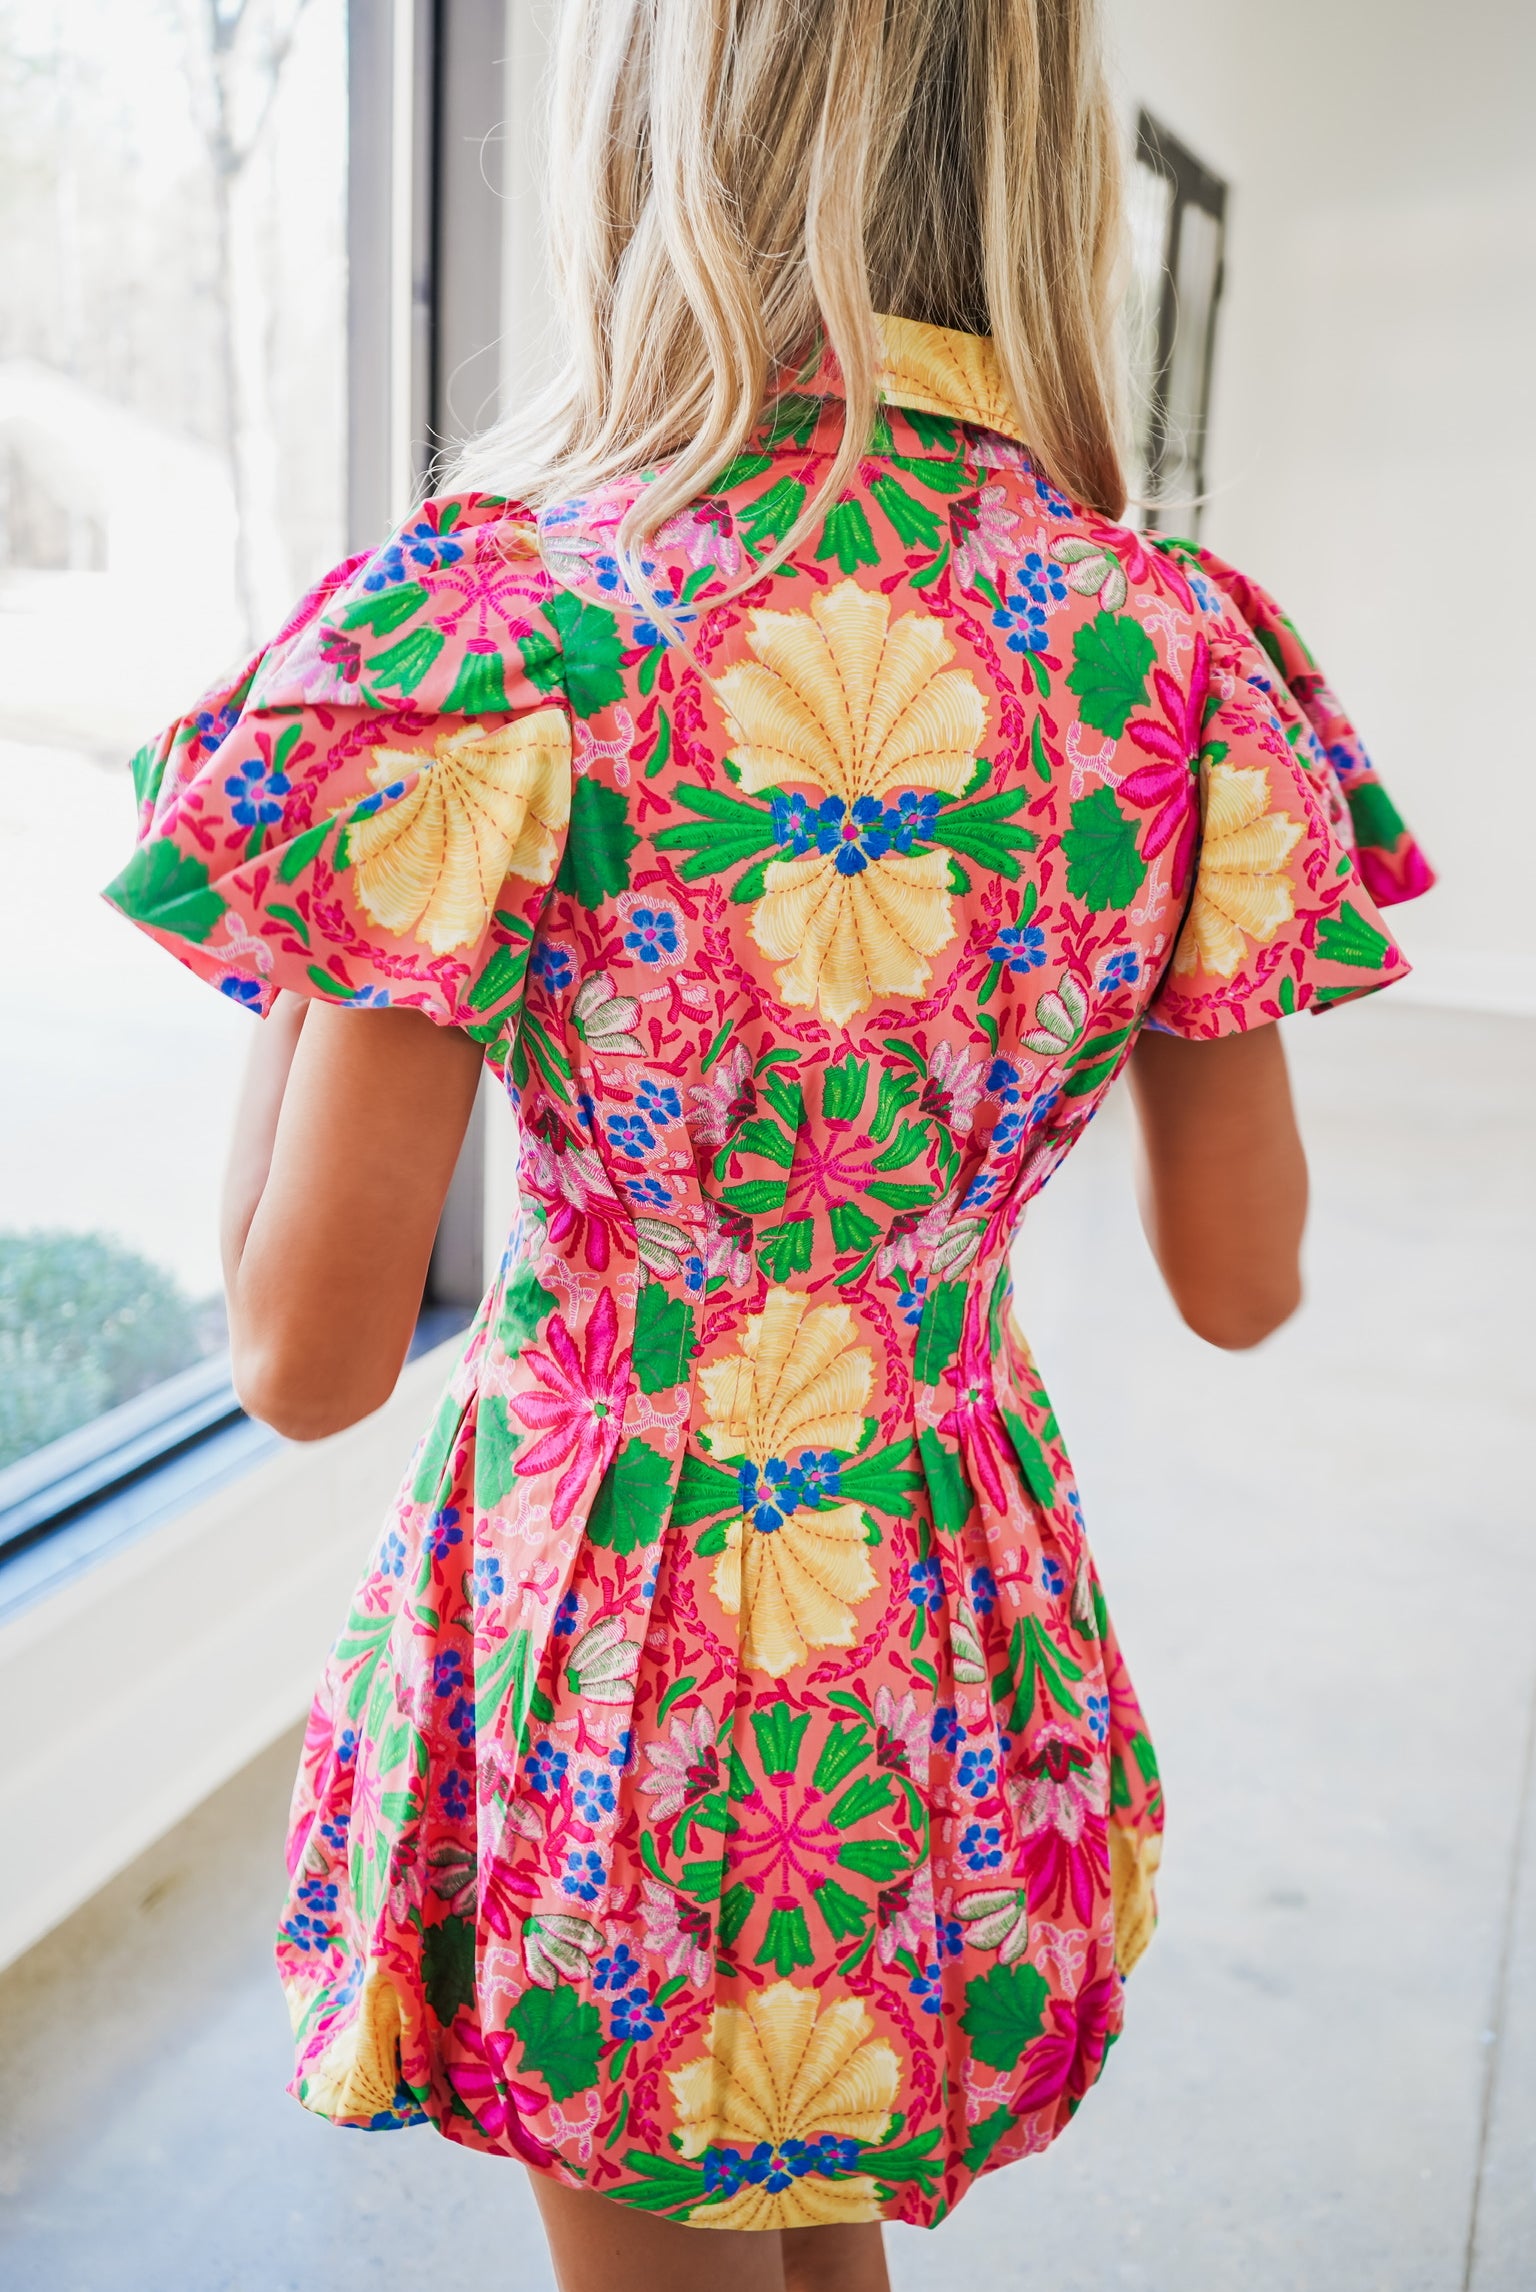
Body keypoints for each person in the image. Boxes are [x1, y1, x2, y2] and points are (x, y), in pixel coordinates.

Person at [103, 3, 1434, 2286]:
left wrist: (328, 911)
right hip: (946, 1608)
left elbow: (302, 1359)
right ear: (1036, 158)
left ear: (651, 140)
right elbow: (1242, 1282)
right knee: (818, 2229)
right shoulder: (1175, 649)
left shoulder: (499, 628)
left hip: (622, 1640)